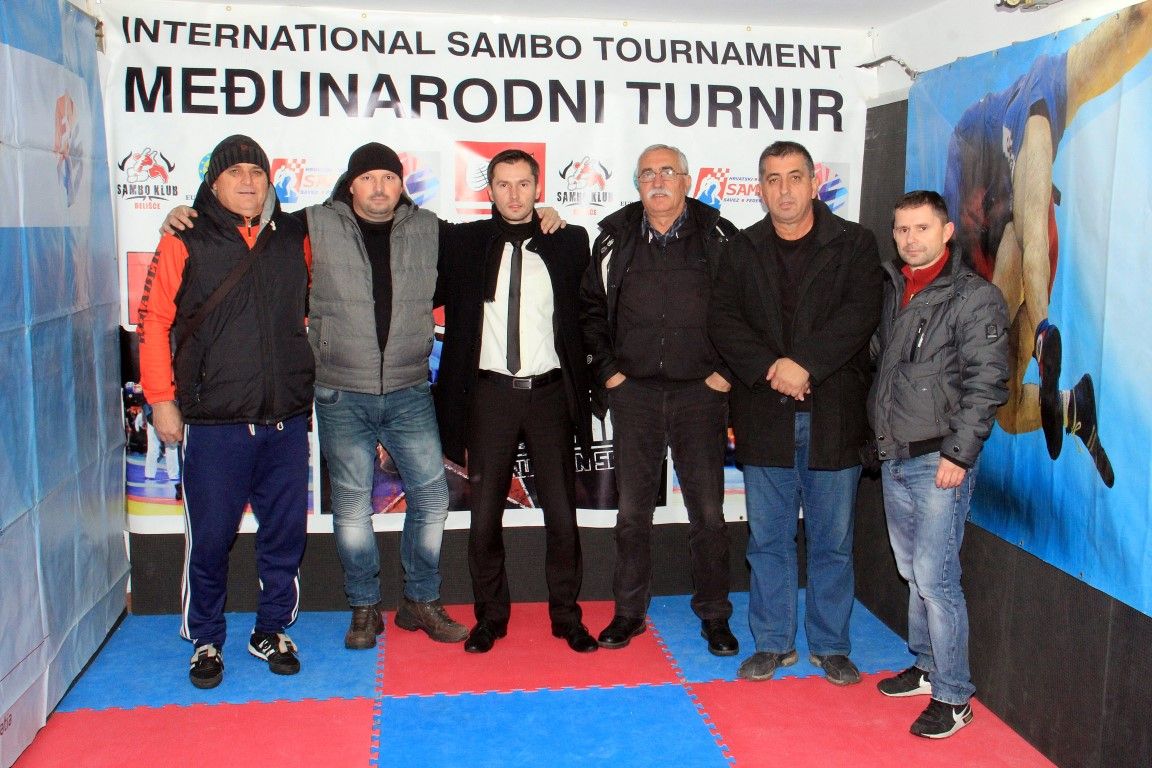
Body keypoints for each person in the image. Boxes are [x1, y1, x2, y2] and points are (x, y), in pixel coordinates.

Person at [163, 142, 467, 649]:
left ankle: (420, 598)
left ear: (401, 185)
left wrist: (544, 216)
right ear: (350, 184)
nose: (378, 188)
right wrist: (182, 215)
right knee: (351, 505)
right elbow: (241, 225)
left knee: (433, 497)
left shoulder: (429, 228)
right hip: (340, 391)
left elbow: (491, 238)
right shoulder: (312, 224)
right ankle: (364, 607)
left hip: (409, 388)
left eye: (389, 178)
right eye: (367, 178)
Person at [943, 1, 1152, 488]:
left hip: (1017, 258)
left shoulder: (1037, 95)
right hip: (1001, 263)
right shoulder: (974, 155)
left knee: (1024, 228)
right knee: (1009, 411)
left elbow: (1133, 26)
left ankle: (1042, 331)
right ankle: (1072, 404)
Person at [138, 135, 313, 689]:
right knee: (211, 540)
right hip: (214, 423)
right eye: (234, 172)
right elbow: (153, 322)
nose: (247, 181)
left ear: (269, 181)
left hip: (285, 419)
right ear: (213, 184)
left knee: (284, 536)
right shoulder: (184, 237)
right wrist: (161, 399)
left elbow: (366, 216)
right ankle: (206, 638)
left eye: (256, 172)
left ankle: (271, 629)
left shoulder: (295, 236)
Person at [710, 141, 882, 685]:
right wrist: (772, 368)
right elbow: (723, 321)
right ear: (760, 189)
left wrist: (805, 364)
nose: (783, 190)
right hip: (765, 413)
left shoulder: (854, 242)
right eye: (772, 179)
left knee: (833, 542)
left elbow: (860, 314)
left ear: (813, 183)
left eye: (793, 177)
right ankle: (773, 643)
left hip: (834, 413)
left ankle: (830, 646)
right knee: (768, 541)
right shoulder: (740, 249)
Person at [435, 149, 596, 654]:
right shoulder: (464, 242)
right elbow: (397, 219)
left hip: (550, 396)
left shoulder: (569, 240)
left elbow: (590, 312)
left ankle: (567, 617)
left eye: (523, 184)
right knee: (484, 515)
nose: (513, 194)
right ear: (489, 189)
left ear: (538, 186)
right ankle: (490, 618)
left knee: (563, 516)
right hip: (489, 396)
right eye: (502, 184)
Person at [581, 144, 739, 656]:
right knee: (632, 515)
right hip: (635, 396)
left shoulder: (720, 237)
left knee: (709, 515)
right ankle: (629, 612)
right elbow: (589, 311)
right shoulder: (613, 239)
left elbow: (746, 310)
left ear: (687, 180)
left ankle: (715, 615)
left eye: (667, 171)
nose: (657, 180)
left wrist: (726, 373)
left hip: (701, 395)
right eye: (647, 173)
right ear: (637, 183)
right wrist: (609, 374)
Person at [869, 191, 1009, 738]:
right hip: (896, 455)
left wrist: (958, 453)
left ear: (947, 232)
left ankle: (953, 697)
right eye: (902, 229)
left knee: (936, 578)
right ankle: (927, 665)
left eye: (922, 228)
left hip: (939, 461)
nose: (910, 239)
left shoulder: (974, 297)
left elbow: (987, 382)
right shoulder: (896, 287)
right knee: (912, 573)